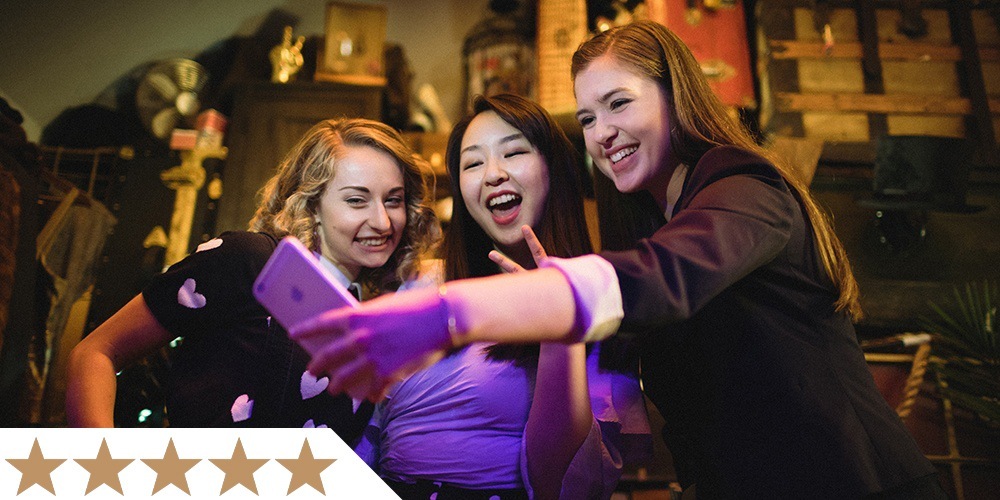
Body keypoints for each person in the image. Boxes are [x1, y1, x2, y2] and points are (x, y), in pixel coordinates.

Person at [293, 21, 946, 499]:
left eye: (619, 103)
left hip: (850, 483)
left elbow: (574, 471)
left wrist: (462, 316)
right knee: (201, 467)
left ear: (676, 95)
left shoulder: (745, 188)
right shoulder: (647, 230)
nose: (602, 131)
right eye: (587, 117)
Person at [356, 93, 649, 500]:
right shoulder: (416, 285)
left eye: (513, 153)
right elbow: (359, 431)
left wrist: (556, 323)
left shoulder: (601, 306)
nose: (492, 174)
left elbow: (563, 486)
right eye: (473, 163)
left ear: (554, 171)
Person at [66, 118, 439, 437]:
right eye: (356, 200)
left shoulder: (367, 315)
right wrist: (104, 470)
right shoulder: (248, 260)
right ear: (312, 203)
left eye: (393, 200)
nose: (383, 221)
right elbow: (95, 352)